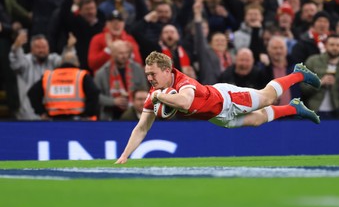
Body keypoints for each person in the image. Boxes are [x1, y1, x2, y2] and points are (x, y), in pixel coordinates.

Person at [115, 51, 321, 164]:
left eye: (153, 74)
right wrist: (124, 156)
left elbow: (185, 101)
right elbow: (141, 128)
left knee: (267, 97)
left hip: (226, 99)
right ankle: (294, 108)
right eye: (147, 74)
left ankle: (298, 73)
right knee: (257, 120)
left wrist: (160, 96)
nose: (149, 79)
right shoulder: (154, 94)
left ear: (167, 71)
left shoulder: (184, 83)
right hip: (216, 116)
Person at [27, 51, 99, 120]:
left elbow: (32, 93)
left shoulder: (49, 77)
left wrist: (41, 112)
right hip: (77, 120)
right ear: (77, 63)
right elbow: (94, 93)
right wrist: (88, 113)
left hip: (53, 120)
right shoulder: (82, 76)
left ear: (60, 63)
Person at [94, 40, 147, 120]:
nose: (124, 56)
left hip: (134, 115)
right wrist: (113, 101)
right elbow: (95, 96)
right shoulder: (101, 73)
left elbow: (145, 90)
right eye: (120, 53)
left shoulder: (138, 69)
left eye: (126, 53)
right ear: (113, 54)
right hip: (110, 115)